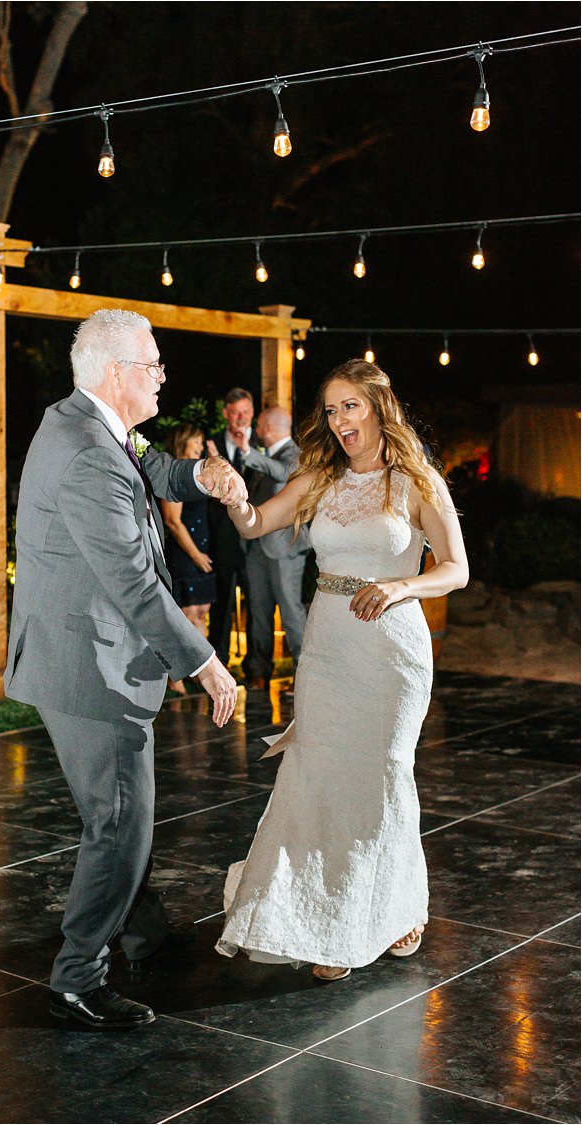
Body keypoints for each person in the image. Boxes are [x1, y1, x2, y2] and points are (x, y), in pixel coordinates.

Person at [4, 308, 245, 1032]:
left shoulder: (91, 424)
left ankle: (142, 930)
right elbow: (135, 583)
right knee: (120, 826)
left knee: (113, 815)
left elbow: (154, 467)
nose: (163, 375)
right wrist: (206, 662)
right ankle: (78, 977)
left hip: (78, 656)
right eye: (155, 365)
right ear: (118, 374)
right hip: (92, 669)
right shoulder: (86, 452)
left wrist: (202, 472)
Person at [215, 359, 468, 982]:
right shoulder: (318, 476)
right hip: (329, 647)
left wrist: (400, 585)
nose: (339, 420)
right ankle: (327, 921)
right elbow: (256, 523)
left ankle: (396, 907)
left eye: (349, 406)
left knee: (383, 777)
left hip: (393, 652)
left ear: (379, 408)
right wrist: (232, 495)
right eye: (330, 410)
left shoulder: (417, 481)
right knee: (321, 775)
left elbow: (456, 569)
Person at [237, 405, 312, 689]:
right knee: (259, 611)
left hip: (285, 549)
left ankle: (304, 676)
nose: (256, 431)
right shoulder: (264, 455)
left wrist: (247, 452)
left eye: (258, 426)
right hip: (256, 547)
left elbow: (281, 473)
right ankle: (259, 671)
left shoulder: (295, 455)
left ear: (268, 428)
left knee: (292, 613)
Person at [159, 423, 214, 693]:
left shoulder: (198, 472)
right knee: (186, 615)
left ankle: (199, 670)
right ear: (183, 442)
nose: (200, 447)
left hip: (202, 550)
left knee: (202, 611)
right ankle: (174, 676)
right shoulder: (175, 473)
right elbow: (173, 521)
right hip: (185, 554)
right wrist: (195, 556)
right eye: (197, 442)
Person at [207, 388, 256, 675]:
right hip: (223, 538)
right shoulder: (211, 444)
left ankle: (256, 666)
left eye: (246, 413)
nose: (240, 418)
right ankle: (220, 661)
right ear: (226, 413)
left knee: (257, 603)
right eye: (235, 412)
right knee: (222, 602)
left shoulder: (262, 443)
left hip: (255, 539)